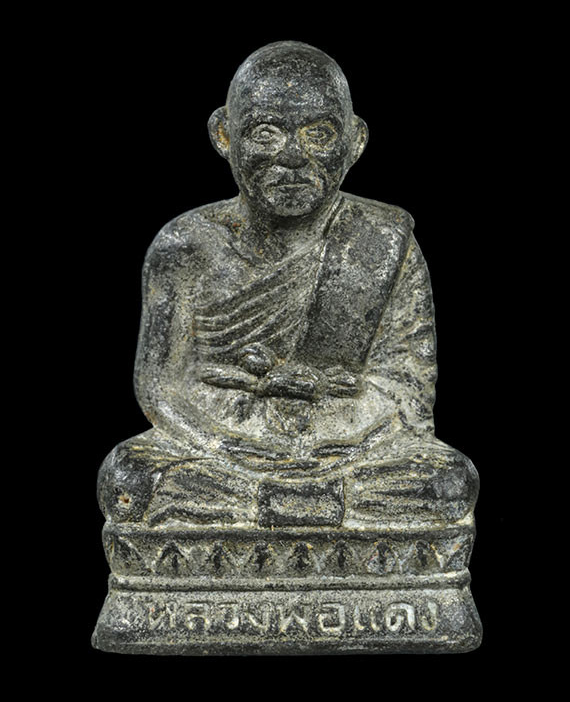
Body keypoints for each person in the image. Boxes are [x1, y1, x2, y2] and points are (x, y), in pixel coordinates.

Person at [98, 41, 478, 529]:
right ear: (223, 135)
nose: (294, 157)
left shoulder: (384, 242)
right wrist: (235, 441)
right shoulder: (185, 246)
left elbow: (406, 390)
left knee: (447, 483)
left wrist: (319, 431)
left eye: (319, 134)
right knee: (129, 479)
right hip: (223, 445)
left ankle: (274, 506)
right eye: (266, 132)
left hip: (348, 447)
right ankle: (303, 507)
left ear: (355, 142)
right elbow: (160, 387)